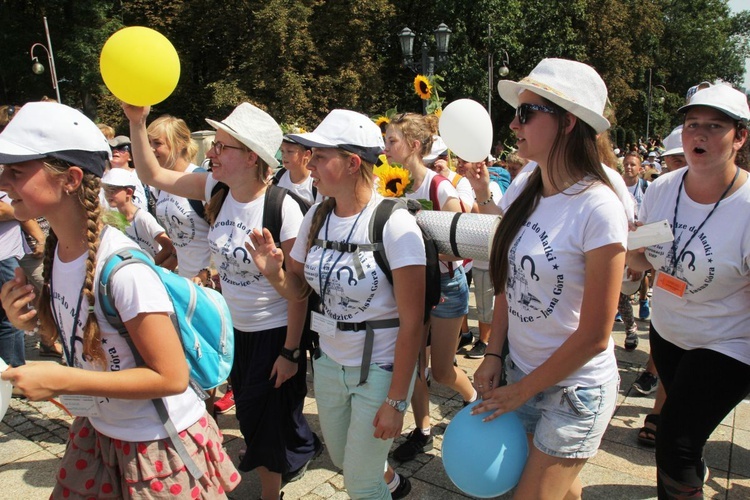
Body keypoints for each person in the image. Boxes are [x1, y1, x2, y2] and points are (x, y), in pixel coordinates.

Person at [0, 101, 239, 497]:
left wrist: (62, 380)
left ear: (71, 179)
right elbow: (87, 337)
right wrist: (27, 320)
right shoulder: (60, 250)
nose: (3, 181)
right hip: (101, 432)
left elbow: (171, 376)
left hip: (154, 443)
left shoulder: (125, 272)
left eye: (17, 170)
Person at [126, 101, 321, 500]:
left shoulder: (282, 208)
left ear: (251, 156)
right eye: (214, 145)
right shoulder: (215, 189)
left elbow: (298, 295)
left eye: (221, 146)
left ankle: (271, 493)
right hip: (231, 330)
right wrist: (136, 120)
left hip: (274, 333)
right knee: (255, 417)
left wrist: (289, 350)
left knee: (259, 420)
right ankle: (300, 449)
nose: (210, 153)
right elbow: (151, 174)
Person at [472, 58, 627, 499]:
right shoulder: (524, 185)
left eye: (526, 112)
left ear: (567, 123)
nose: (513, 123)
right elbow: (509, 284)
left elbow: (596, 336)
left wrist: (519, 392)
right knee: (555, 488)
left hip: (574, 391)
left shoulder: (598, 207)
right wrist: (494, 354)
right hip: (521, 372)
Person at [254, 109, 425, 499]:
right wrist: (274, 273)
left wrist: (397, 402)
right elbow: (299, 292)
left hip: (378, 369)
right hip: (328, 364)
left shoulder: (395, 226)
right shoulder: (317, 214)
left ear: (351, 163)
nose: (309, 163)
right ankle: (389, 480)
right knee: (345, 459)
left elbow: (413, 324)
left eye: (319, 156)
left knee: (359, 484)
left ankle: (377, 480)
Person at [627, 83, 750, 498]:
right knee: (687, 437)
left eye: (714, 126)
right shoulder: (662, 190)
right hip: (667, 332)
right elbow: (645, 262)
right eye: (691, 124)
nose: (698, 134)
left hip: (728, 342)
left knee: (675, 441)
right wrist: (629, 250)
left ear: (740, 137)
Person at [385, 112, 477, 463]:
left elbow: (463, 242)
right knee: (412, 364)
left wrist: (417, 242)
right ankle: (422, 431)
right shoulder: (388, 183)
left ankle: (473, 402)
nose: (386, 149)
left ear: (414, 146)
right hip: (409, 284)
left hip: (445, 285)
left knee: (440, 370)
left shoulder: (438, 187)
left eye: (392, 142)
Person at [146, 115, 211, 279]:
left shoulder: (201, 180)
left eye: (157, 143)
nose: (151, 149)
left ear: (180, 144)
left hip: (211, 284)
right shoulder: (160, 185)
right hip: (185, 281)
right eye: (149, 143)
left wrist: (208, 275)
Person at [100, 168, 176, 270]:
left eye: (113, 190)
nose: (108, 194)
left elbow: (168, 247)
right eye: (106, 190)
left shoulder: (143, 218)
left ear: (129, 192)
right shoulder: (114, 220)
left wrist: (149, 265)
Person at [274, 136, 317, 205]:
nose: (284, 156)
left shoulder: (316, 182)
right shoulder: (279, 175)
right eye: (282, 151)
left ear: (306, 154)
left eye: (290, 151)